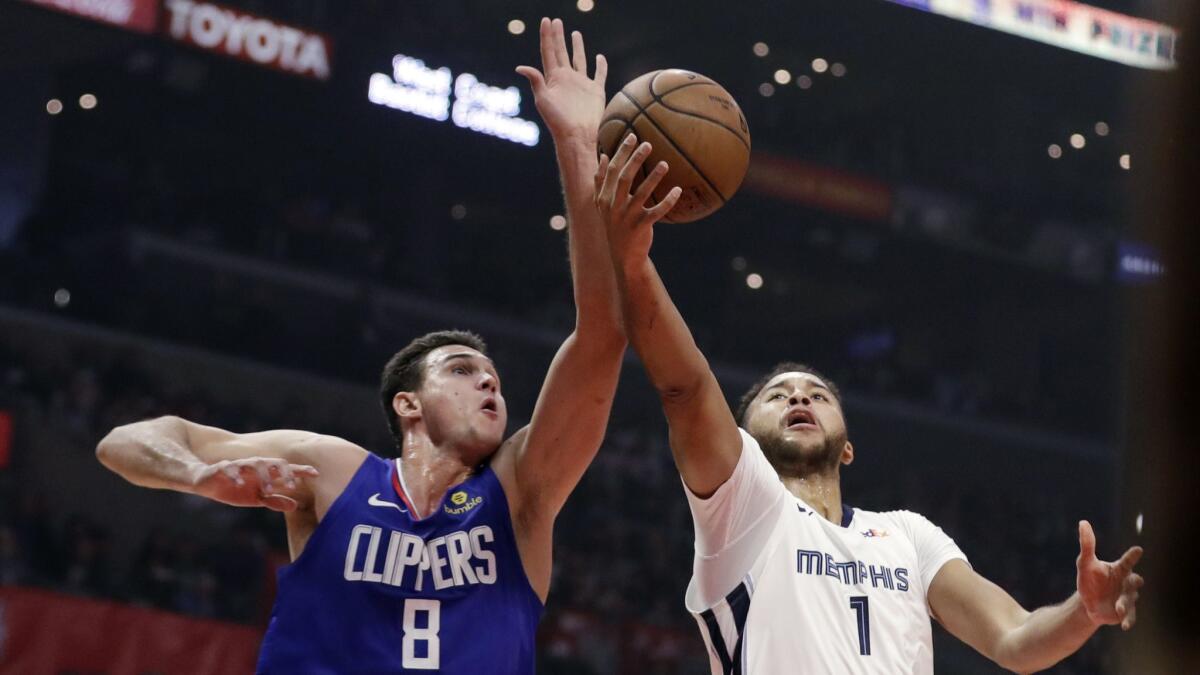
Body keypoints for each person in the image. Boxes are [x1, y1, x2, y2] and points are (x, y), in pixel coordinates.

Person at [96, 18, 679, 673]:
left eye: (492, 376)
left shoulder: (522, 492)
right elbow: (123, 442)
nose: (490, 383)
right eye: (462, 370)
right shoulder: (332, 470)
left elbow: (603, 335)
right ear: (407, 402)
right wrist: (197, 472)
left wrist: (575, 141)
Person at [596, 144, 1145, 674]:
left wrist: (1083, 612)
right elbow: (686, 388)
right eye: (777, 393)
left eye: (818, 394)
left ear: (849, 446)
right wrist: (634, 264)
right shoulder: (741, 508)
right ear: (744, 442)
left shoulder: (908, 536)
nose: (799, 396)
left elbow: (1015, 641)